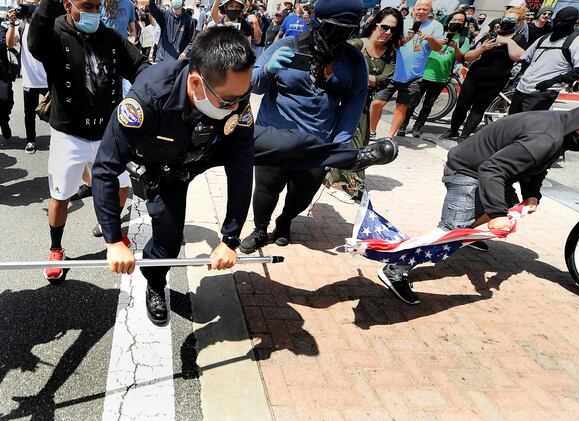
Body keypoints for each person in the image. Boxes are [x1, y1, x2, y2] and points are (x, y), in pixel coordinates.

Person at [92, 26, 396, 325]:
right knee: (167, 243)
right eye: (228, 101)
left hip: (212, 144)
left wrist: (230, 238)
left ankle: (352, 157)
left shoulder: (234, 98)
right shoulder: (145, 101)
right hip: (168, 167)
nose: (237, 106)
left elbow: (240, 169)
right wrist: (114, 240)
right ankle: (156, 284)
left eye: (243, 96)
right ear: (196, 83)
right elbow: (105, 169)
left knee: (289, 142)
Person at [378, 99, 579, 305]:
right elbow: (492, 169)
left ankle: (467, 231)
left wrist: (532, 194)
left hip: (486, 168)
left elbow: (536, 166)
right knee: (450, 230)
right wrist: (496, 214)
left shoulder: (562, 126)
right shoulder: (546, 138)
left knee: (509, 204)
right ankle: (395, 267)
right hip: (466, 171)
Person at [239, 0, 378, 254]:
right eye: (333, 28)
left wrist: (336, 148)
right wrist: (269, 69)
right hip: (275, 135)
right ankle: (260, 229)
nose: (338, 35)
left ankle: (285, 221)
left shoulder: (354, 61)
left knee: (301, 194)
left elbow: (352, 107)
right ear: (316, 22)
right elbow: (254, 85)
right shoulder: (286, 45)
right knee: (266, 187)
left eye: (346, 30)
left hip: (317, 140)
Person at [28, 0, 150, 283]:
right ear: (68, 4)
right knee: (61, 195)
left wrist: (158, 87)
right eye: (87, 6)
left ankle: (111, 225)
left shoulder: (110, 37)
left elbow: (139, 65)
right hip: (68, 132)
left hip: (109, 131)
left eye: (97, 7)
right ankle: (56, 248)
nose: (94, 13)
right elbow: (35, 43)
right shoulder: (55, 33)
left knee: (121, 186)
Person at [328, 7, 402, 203]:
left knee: (360, 141)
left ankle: (350, 182)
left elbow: (385, 80)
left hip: (363, 104)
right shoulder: (354, 45)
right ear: (375, 24)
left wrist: (360, 77)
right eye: (384, 27)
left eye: (393, 30)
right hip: (340, 100)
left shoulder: (390, 54)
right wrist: (369, 79)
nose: (387, 33)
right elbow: (338, 72)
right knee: (338, 137)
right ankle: (334, 179)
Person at [441, 7, 526, 141]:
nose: (508, 21)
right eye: (506, 18)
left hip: (496, 81)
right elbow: (467, 57)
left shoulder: (519, 38)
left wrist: (508, 41)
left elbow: (517, 57)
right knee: (461, 106)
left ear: (518, 22)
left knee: (478, 109)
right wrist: (482, 48)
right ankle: (453, 130)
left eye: (512, 19)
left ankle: (464, 136)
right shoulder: (489, 35)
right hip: (475, 76)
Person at [370, 0, 443, 138]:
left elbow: (438, 47)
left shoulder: (435, 26)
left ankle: (390, 137)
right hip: (392, 72)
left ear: (430, 11)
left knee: (402, 107)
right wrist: (407, 38)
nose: (421, 12)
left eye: (425, 9)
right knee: (377, 103)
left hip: (414, 76)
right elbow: (391, 45)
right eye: (419, 9)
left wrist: (429, 38)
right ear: (413, 9)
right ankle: (371, 131)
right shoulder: (402, 22)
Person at [508, 7, 579, 114]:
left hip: (543, 93)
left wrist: (553, 81)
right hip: (521, 88)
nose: (558, 24)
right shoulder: (544, 38)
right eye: (557, 20)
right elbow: (525, 58)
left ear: (573, 23)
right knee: (511, 123)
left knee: (527, 126)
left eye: (564, 22)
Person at [402, 10, 469, 138]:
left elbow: (461, 58)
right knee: (412, 102)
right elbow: (420, 47)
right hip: (423, 73)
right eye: (454, 19)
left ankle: (418, 127)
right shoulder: (438, 32)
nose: (456, 22)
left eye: (460, 21)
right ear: (449, 20)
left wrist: (455, 47)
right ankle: (403, 125)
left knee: (428, 105)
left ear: (464, 24)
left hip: (441, 76)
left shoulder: (463, 39)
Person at [7, 2, 46, 153]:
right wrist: (12, 23)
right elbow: (10, 44)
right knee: (29, 113)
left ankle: (60, 139)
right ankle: (31, 140)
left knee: (57, 113)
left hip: (49, 78)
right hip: (30, 79)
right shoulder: (21, 25)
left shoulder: (46, 21)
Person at [0, 7, 15, 140]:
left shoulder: (2, 28)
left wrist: (12, 23)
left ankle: (4, 120)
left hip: (2, 73)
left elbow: (10, 42)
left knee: (5, 100)